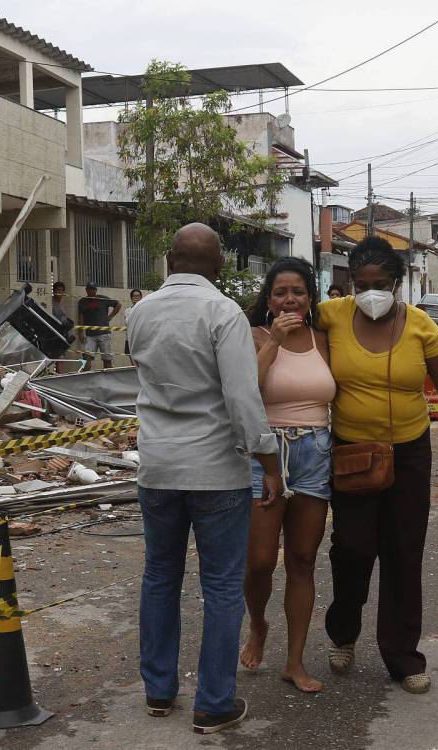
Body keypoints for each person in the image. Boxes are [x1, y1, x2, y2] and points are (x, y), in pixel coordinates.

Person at [315, 236, 438, 695]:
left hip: (410, 454)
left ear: (398, 284)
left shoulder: (422, 327)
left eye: (380, 284)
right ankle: (343, 633)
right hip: (352, 452)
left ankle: (402, 656)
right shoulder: (330, 317)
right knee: (352, 548)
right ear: (350, 285)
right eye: (361, 284)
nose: (370, 293)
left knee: (403, 552)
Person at [129, 223, 283, 735]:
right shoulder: (223, 312)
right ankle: (214, 703)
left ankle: (158, 690)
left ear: (170, 260)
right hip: (215, 470)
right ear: (220, 267)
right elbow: (243, 399)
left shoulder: (141, 311)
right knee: (219, 585)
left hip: (157, 467)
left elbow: (147, 379)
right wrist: (269, 462)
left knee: (160, 575)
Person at [239, 258, 335, 694]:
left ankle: (294, 662)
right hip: (266, 453)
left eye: (297, 292)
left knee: (302, 560)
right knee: (259, 560)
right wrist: (272, 343)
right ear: (269, 299)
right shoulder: (255, 335)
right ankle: (258, 624)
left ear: (310, 298)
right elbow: (247, 393)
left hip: (315, 452)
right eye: (280, 292)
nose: (289, 299)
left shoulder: (323, 340)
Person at [77, 283, 121, 369]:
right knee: (86, 357)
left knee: (107, 359)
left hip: (104, 334)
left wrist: (110, 317)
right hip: (89, 335)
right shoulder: (82, 301)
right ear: (86, 290)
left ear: (96, 290)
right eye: (89, 289)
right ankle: (86, 377)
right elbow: (81, 317)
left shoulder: (102, 298)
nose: (91, 291)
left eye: (93, 289)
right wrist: (80, 333)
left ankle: (108, 379)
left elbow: (118, 304)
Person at [124, 288, 144, 359]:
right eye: (134, 296)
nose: (136, 298)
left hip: (140, 338)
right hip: (129, 338)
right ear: (131, 298)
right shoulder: (127, 311)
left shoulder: (144, 309)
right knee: (131, 359)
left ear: (141, 297)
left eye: (138, 296)